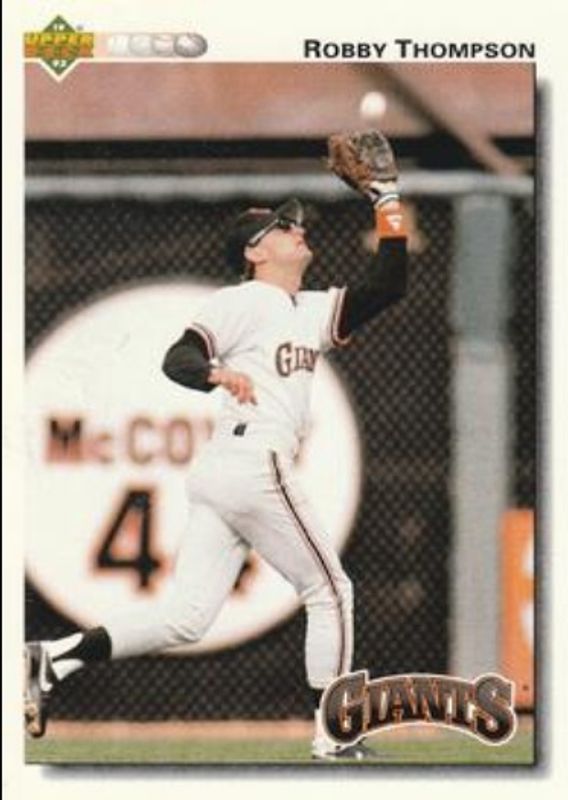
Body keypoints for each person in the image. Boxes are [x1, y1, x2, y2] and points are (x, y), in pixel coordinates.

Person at [24, 153, 408, 760]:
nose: (297, 229)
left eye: (294, 223)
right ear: (255, 252)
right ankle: (335, 735)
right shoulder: (243, 299)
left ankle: (54, 658)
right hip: (254, 462)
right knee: (331, 589)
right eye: (281, 227)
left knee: (187, 618)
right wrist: (216, 374)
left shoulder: (309, 311)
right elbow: (178, 358)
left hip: (228, 472)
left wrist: (386, 200)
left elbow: (389, 285)